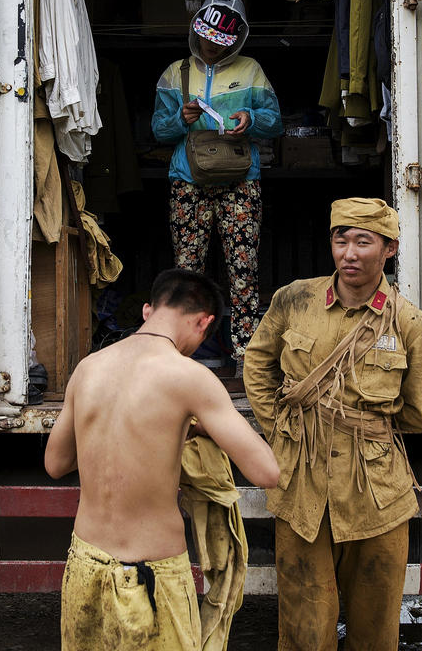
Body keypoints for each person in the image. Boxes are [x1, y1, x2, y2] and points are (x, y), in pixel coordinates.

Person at [244, 197, 422, 651]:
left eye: (363, 242)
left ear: (389, 249)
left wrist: (366, 427)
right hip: (302, 491)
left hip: (375, 495)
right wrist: (281, 427)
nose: (349, 253)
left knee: (375, 634)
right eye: (341, 240)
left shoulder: (409, 323)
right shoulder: (295, 300)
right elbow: (257, 363)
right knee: (303, 632)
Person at [45, 268, 279, 651]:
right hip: (153, 575)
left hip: (85, 566)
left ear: (147, 311)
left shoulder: (88, 368)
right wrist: (201, 427)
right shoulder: (190, 377)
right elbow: (265, 471)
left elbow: (56, 463)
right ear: (204, 323)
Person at [151, 0, 283, 375]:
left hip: (241, 182)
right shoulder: (176, 73)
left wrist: (250, 118)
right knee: (188, 271)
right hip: (187, 181)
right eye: (207, 37)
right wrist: (181, 119)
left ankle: (244, 356)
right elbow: (159, 130)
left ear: (237, 38)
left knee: (243, 270)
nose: (211, 46)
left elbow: (275, 122)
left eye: (220, 40)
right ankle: (186, 354)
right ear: (198, 32)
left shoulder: (252, 70)